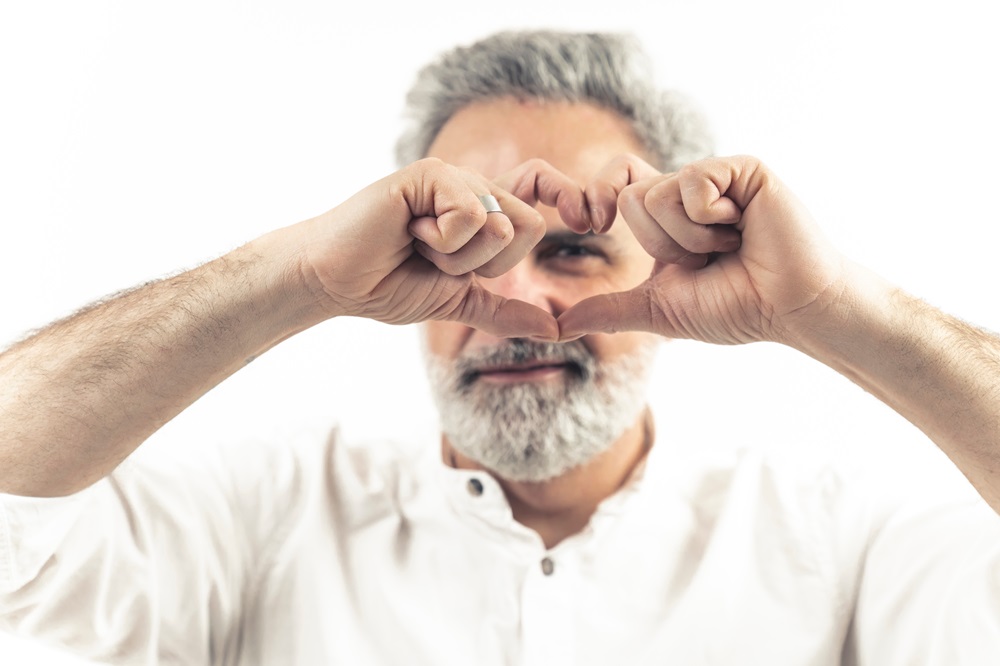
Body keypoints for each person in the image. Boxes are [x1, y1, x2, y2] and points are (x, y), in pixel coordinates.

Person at [1, 29, 999, 665]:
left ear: (680, 263)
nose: (513, 298)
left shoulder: (834, 545)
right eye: (458, 246)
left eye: (570, 250)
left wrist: (833, 305)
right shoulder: (262, 523)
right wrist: (300, 274)